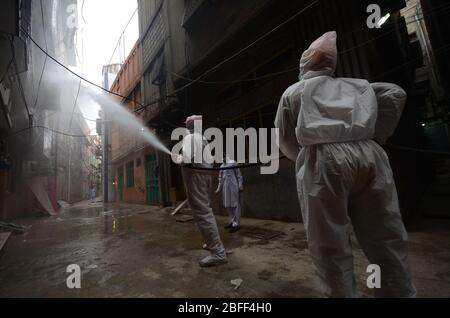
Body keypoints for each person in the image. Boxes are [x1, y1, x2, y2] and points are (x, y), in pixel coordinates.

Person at [275, 31, 416, 298]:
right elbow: (395, 94)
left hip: (323, 162)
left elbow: (284, 137)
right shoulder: (358, 86)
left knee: (329, 244)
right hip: (369, 156)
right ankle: (399, 293)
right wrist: (376, 135)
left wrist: (304, 156)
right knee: (385, 235)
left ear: (305, 65)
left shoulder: (294, 91)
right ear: (330, 64)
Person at [174, 115, 227, 267]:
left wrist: (178, 158)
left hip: (196, 178)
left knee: (203, 213)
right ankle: (213, 244)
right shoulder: (202, 138)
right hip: (204, 177)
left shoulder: (190, 138)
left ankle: (218, 252)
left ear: (188, 126)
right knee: (206, 211)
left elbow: (187, 159)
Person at [216, 156, 244, 233]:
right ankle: (232, 221)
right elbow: (220, 178)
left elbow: (238, 175)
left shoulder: (233, 163)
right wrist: (219, 188)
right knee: (228, 205)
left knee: (235, 205)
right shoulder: (222, 166)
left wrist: (240, 185)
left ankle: (236, 224)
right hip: (226, 187)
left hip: (233, 186)